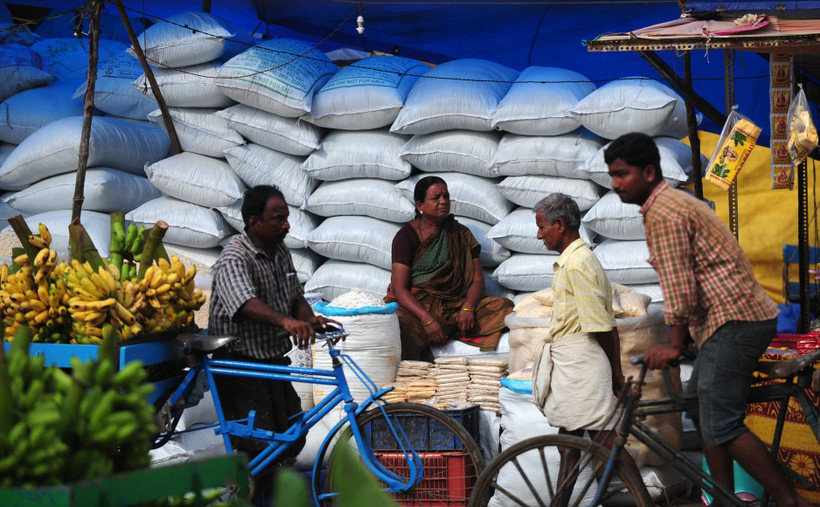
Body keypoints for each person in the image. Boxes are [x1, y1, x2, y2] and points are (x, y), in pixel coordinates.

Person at [605, 132, 810, 507]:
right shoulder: (672, 204)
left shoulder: (664, 213)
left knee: (721, 421)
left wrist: (672, 342)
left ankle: (787, 501)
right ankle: (724, 499)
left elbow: (680, 284)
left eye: (622, 174)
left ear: (649, 172)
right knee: (701, 407)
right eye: (612, 176)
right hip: (728, 320)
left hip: (734, 321)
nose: (616, 184)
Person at [208, 184, 336, 504]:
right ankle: (244, 493)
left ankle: (261, 491)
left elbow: (296, 299)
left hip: (271, 359)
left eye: (287, 218)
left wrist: (309, 319)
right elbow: (245, 303)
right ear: (254, 222)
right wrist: (285, 322)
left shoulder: (281, 252)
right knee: (261, 443)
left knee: (292, 436)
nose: (287, 225)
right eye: (278, 218)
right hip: (239, 362)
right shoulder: (234, 256)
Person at [531, 193, 648, 506]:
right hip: (574, 364)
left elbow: (602, 325)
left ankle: (645, 503)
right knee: (569, 445)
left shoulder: (579, 263)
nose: (539, 234)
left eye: (542, 227)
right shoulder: (573, 261)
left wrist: (615, 374)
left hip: (582, 365)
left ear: (560, 224)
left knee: (607, 442)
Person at [384, 176, 513, 361]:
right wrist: (427, 320)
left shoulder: (461, 233)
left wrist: (468, 308)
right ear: (420, 205)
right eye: (436, 198)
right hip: (418, 309)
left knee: (504, 307)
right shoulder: (406, 236)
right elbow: (399, 288)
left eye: (446, 196)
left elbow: (477, 280)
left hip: (456, 307)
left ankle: (452, 328)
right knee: (399, 327)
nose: (443, 201)